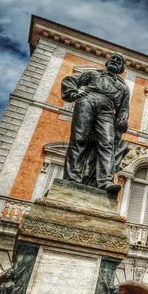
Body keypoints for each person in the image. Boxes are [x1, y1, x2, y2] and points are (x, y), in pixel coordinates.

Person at [61, 53, 130, 193]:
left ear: (122, 68)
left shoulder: (124, 87)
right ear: (107, 62)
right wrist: (74, 94)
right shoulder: (93, 74)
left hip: (107, 109)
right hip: (87, 100)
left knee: (107, 143)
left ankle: (105, 181)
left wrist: (122, 121)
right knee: (79, 138)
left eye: (119, 61)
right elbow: (69, 81)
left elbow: (124, 108)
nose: (115, 61)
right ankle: (72, 178)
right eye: (113, 58)